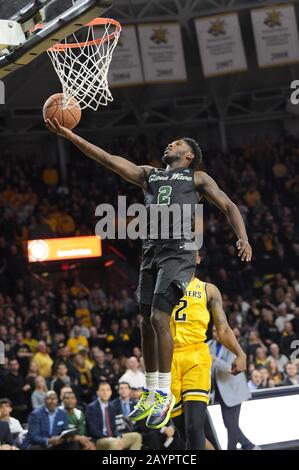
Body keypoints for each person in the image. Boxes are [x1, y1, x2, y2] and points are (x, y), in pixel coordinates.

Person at [46, 119, 252, 429]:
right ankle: (153, 390)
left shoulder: (197, 178)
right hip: (151, 252)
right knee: (145, 322)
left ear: (189, 156)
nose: (171, 144)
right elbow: (106, 159)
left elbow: (229, 205)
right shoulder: (149, 175)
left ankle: (166, 392)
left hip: (181, 251)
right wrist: (70, 135)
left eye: (178, 144)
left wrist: (243, 236)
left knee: (159, 318)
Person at [167, 255, 247, 450]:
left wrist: (240, 353)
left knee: (195, 428)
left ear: (198, 259)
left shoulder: (208, 290)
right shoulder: (161, 287)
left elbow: (223, 328)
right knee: (185, 434)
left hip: (196, 355)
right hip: (168, 360)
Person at [209, 327, 260, 450]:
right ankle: (249, 446)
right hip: (220, 392)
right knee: (229, 424)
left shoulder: (233, 346)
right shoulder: (209, 345)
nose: (216, 333)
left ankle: (236, 448)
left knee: (231, 425)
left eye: (218, 330)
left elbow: (231, 368)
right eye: (214, 331)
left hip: (234, 390)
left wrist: (214, 359)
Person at [85, 382, 142, 450]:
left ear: (111, 392)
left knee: (136, 436)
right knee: (114, 442)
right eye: (102, 390)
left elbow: (114, 427)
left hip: (113, 438)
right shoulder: (92, 407)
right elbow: (92, 430)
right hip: (99, 439)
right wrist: (109, 437)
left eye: (107, 390)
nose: (105, 392)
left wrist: (118, 436)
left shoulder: (111, 406)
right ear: (98, 392)